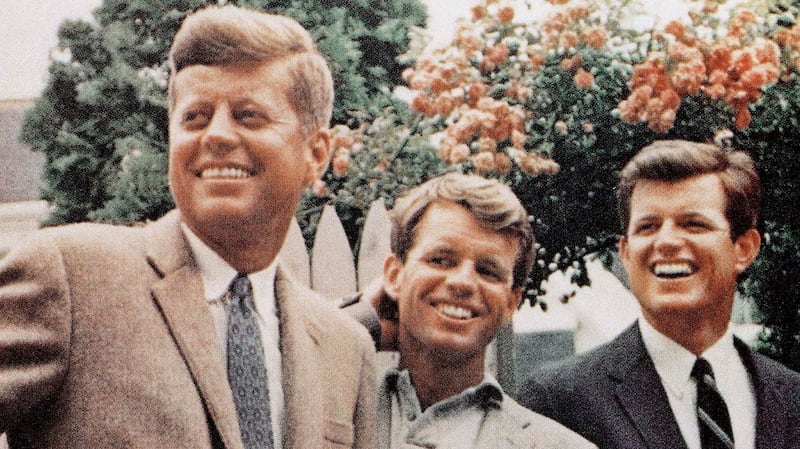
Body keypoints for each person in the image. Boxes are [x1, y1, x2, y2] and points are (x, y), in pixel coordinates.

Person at [0, 5, 375, 449]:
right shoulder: (71, 277)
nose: (215, 135)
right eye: (194, 117)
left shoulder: (345, 349)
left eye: (248, 115)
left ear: (316, 154)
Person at [518, 140, 800, 449]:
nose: (665, 241)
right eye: (648, 226)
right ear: (625, 253)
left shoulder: (791, 399)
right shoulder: (558, 404)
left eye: (693, 224)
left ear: (744, 249)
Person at [372, 172, 597, 449]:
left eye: (487, 271)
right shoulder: (329, 404)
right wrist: (363, 321)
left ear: (511, 303)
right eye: (441, 260)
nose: (463, 282)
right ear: (394, 275)